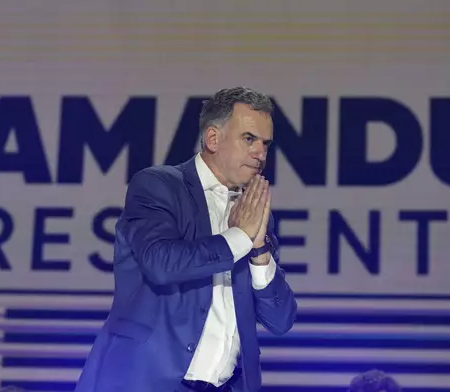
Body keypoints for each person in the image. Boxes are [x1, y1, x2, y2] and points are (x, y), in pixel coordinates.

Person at [73, 86, 297, 392]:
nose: (261, 153)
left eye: (265, 143)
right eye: (249, 139)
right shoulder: (159, 185)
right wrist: (239, 237)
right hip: (146, 381)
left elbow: (281, 320)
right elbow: (161, 264)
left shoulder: (253, 213)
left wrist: (259, 251)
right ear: (213, 139)